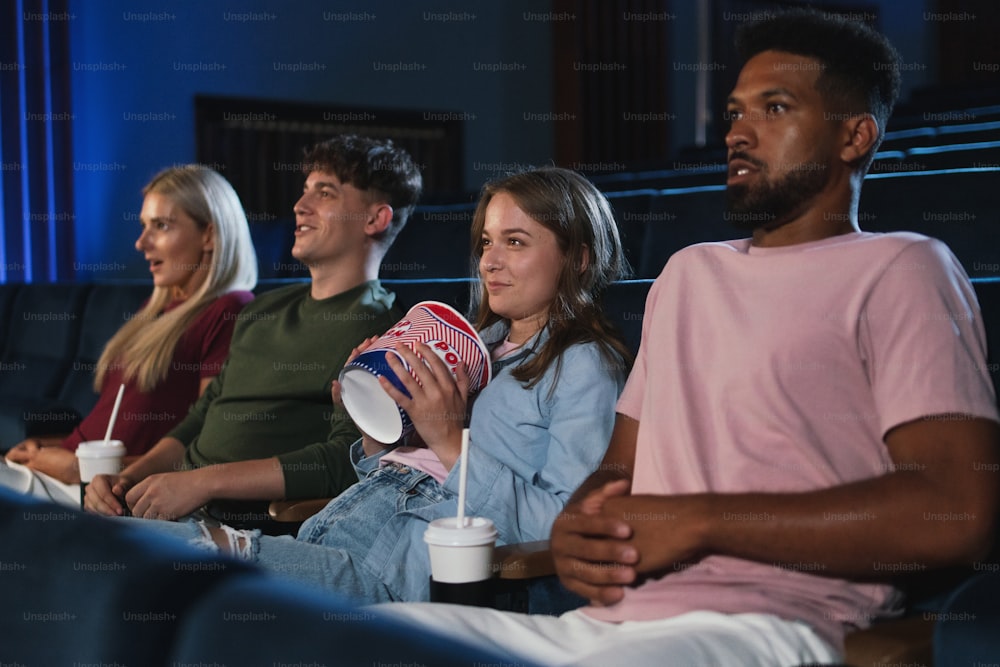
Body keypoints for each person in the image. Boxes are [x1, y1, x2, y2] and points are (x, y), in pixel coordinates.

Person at [376, 10, 1000, 666]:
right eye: (734, 112)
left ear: (854, 137)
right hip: (611, 618)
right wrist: (577, 530)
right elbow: (619, 468)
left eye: (775, 107)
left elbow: (954, 509)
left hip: (768, 622)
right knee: (370, 637)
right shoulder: (688, 272)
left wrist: (700, 520)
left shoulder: (905, 266)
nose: (737, 132)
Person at [140, 166, 632, 603]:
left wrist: (446, 439)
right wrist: (374, 425)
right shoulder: (476, 345)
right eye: (486, 241)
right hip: (340, 527)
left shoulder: (584, 364)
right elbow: (396, 466)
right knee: (140, 549)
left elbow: (563, 527)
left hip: (399, 571)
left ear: (579, 258)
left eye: (516, 242)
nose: (489, 262)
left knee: (179, 563)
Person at [83, 134, 423, 524]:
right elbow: (200, 417)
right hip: (168, 506)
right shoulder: (263, 308)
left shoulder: (385, 333)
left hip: (237, 522)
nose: (300, 206)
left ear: (375, 219)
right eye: (304, 191)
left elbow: (348, 461)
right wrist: (123, 482)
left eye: (324, 193)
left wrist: (204, 483)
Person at [1, 165, 257, 505]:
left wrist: (81, 469)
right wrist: (46, 447)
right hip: (68, 474)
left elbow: (206, 449)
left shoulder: (231, 308)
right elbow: (110, 428)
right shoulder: (155, 307)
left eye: (161, 226)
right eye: (143, 227)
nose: (141, 243)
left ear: (209, 235)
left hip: (102, 491)